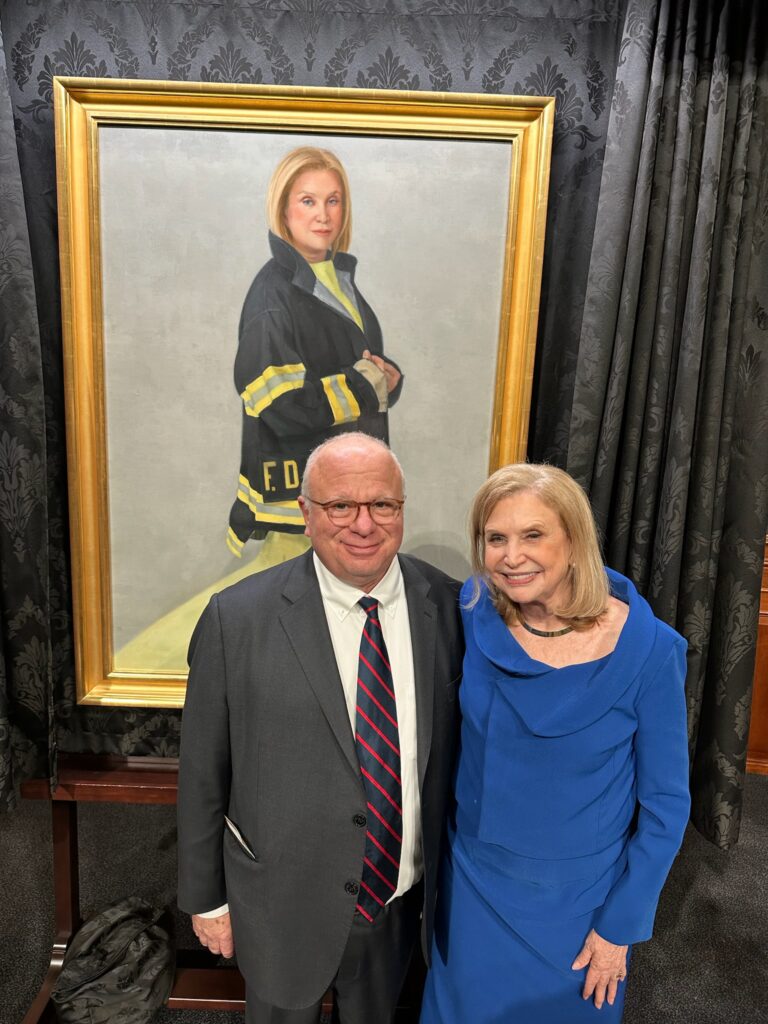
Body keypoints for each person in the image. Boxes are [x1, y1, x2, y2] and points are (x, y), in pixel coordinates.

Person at [178, 433, 463, 1024]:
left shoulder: (450, 608)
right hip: (281, 901)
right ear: (306, 514)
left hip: (399, 898)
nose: (363, 523)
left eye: (382, 505)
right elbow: (203, 772)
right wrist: (207, 899)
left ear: (402, 510)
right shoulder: (236, 620)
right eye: (340, 506)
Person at [420, 463, 690, 1023]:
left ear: (574, 541)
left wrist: (620, 928)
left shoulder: (651, 651)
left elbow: (666, 806)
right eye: (496, 538)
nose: (511, 556)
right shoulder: (474, 613)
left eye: (533, 535)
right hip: (473, 885)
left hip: (579, 905)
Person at [227, 146, 403, 559]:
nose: (323, 215)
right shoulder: (272, 294)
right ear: (283, 210)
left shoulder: (336, 277)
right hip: (299, 504)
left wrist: (385, 378)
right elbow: (279, 404)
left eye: (333, 200)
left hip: (344, 495)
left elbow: (350, 361)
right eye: (308, 201)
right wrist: (364, 386)